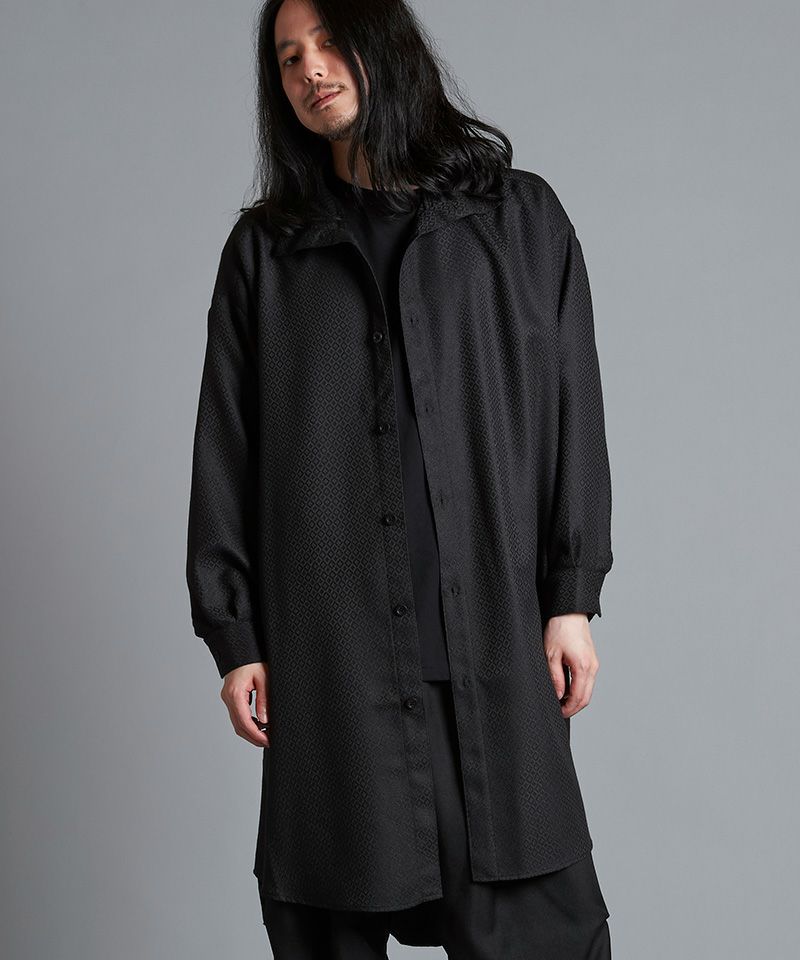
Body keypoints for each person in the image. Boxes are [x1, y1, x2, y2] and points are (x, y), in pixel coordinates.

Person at [186, 0, 615, 955]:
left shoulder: (520, 220)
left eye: (329, 43)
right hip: (332, 671)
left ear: (384, 44)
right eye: (288, 58)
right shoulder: (267, 252)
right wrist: (235, 634)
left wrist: (571, 596)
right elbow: (226, 446)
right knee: (328, 918)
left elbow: (573, 409)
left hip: (494, 652)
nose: (310, 70)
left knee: (543, 924)